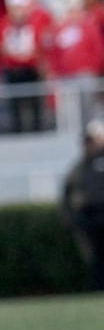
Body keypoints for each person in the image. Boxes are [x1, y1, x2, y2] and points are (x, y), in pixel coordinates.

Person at [62, 118, 104, 291]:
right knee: (96, 259)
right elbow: (67, 195)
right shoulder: (79, 168)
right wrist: (69, 218)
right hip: (90, 219)